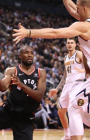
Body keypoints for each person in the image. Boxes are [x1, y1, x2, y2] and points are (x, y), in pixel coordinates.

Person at [13, 1, 90, 139]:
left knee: (75, 107)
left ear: (84, 8)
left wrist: (29, 32)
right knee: (75, 108)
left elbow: (55, 33)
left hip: (81, 81)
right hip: (80, 82)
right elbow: (74, 11)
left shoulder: (84, 26)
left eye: (79, 9)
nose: (76, 11)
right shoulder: (85, 23)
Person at [49, 38, 85, 140]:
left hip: (78, 84)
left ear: (75, 45)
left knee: (75, 110)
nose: (69, 44)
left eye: (71, 43)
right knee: (61, 111)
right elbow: (65, 76)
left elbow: (88, 65)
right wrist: (57, 89)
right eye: (68, 43)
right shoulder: (66, 58)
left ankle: (77, 134)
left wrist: (83, 70)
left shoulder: (78, 54)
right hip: (67, 85)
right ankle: (67, 134)